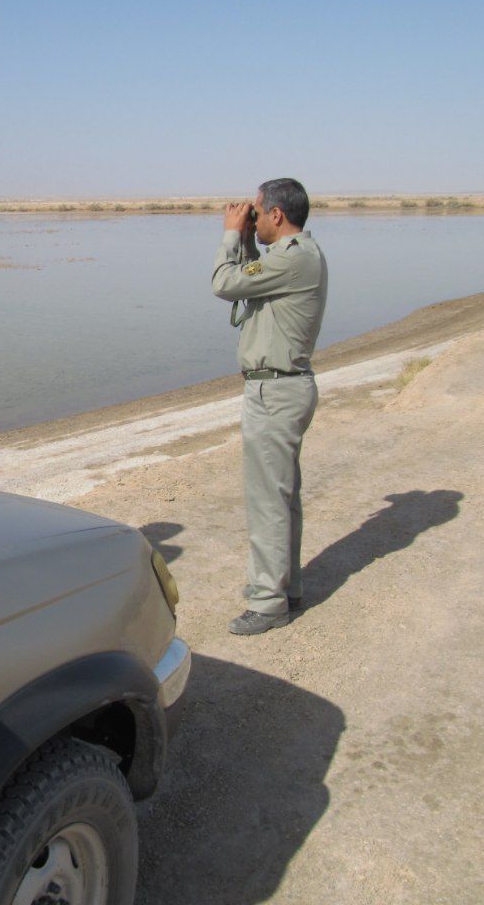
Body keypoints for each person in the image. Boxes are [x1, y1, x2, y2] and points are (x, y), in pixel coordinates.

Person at [211, 178, 328, 635]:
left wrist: (227, 235)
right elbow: (253, 279)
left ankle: (268, 602)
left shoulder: (296, 258)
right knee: (281, 497)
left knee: (267, 502)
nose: (252, 219)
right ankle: (285, 586)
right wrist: (245, 241)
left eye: (257, 214)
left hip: (276, 393)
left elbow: (225, 283)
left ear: (277, 215)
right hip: (281, 388)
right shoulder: (293, 256)